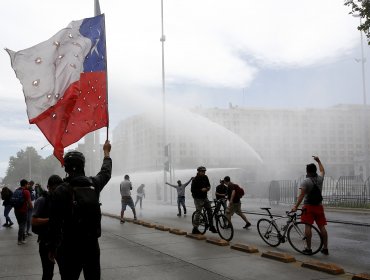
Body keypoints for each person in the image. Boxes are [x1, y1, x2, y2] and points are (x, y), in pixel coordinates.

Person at [48, 140, 112, 280]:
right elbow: (106, 172)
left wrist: (52, 248)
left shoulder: (60, 190)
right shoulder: (93, 184)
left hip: (69, 247)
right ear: (83, 165)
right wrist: (106, 153)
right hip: (91, 246)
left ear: (66, 168)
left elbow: (54, 224)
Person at [292, 156, 329, 255]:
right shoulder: (320, 179)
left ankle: (308, 248)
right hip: (319, 206)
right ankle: (325, 248)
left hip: (308, 207)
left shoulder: (306, 181)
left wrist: (295, 206)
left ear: (307, 171)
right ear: (315, 170)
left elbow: (301, 195)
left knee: (308, 227)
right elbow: (322, 170)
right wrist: (319, 161)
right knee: (322, 227)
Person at [32, 175, 63, 280]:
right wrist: (50, 220)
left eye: (59, 189)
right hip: (46, 242)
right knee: (48, 273)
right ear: (48, 187)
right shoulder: (41, 200)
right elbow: (34, 221)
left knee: (65, 272)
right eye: (54, 189)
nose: (56, 192)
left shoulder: (63, 201)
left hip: (60, 242)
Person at [191, 166, 217, 234]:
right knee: (198, 212)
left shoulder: (205, 177)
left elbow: (208, 185)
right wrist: (201, 190)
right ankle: (195, 228)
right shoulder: (195, 180)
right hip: (197, 198)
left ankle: (211, 226)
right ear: (198, 172)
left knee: (210, 210)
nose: (203, 173)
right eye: (202, 171)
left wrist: (208, 188)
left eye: (204, 171)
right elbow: (192, 190)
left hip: (204, 197)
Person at [14, 179, 33, 245]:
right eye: (27, 184)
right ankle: (19, 240)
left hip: (16, 210)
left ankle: (23, 238)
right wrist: (32, 209)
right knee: (22, 225)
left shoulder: (16, 190)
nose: (28, 185)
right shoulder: (26, 191)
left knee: (21, 225)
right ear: (25, 184)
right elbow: (29, 203)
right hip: (23, 210)